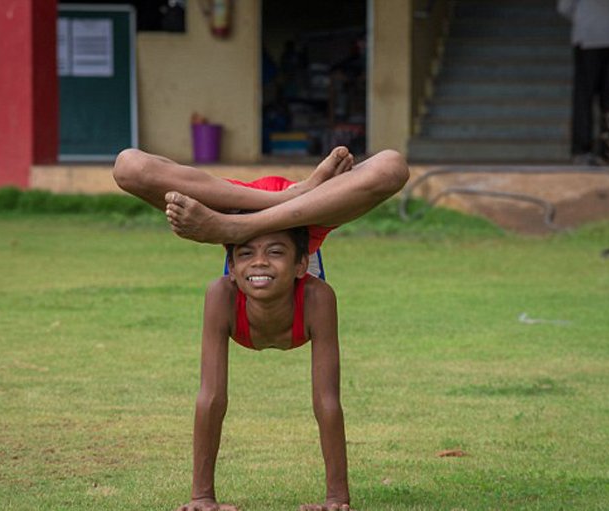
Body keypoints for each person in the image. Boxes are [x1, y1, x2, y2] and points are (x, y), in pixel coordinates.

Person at [113, 146, 409, 511]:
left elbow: (327, 401)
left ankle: (247, 225)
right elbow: (211, 396)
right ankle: (289, 196)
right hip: (278, 203)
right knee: (128, 166)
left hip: (288, 219)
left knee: (392, 166)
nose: (259, 264)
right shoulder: (223, 294)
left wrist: (337, 499)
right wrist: (201, 498)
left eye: (273, 256)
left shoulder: (316, 298)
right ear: (233, 267)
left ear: (304, 264)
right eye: (244, 256)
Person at [557, 0, 609, 165]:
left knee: (583, 99)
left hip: (588, 38)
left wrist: (585, 18)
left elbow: (564, 8)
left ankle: (582, 150)